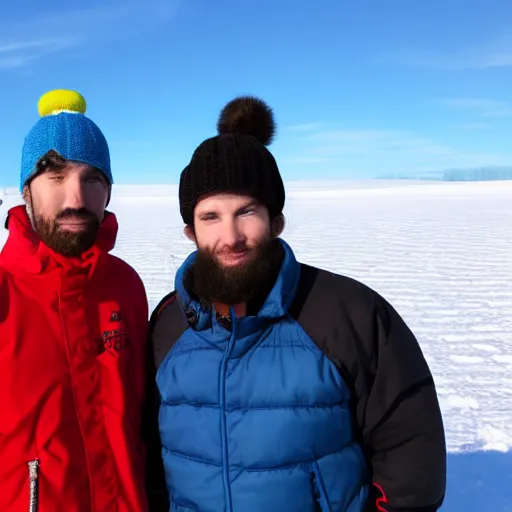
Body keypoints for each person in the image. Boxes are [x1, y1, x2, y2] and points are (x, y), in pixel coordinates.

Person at [146, 96, 447, 511]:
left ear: (276, 221)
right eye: (210, 216)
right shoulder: (168, 324)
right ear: (190, 232)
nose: (230, 235)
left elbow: (410, 449)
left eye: (246, 211)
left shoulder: (346, 313)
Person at [0, 89, 150, 511]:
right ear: (26, 189)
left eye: (92, 179)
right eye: (56, 177)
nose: (76, 200)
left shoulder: (125, 285)